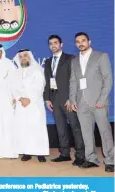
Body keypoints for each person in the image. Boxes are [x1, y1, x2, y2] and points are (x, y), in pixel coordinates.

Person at [69, 32, 114, 172]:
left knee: (105, 132)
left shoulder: (101, 56)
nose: (80, 43)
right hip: (81, 103)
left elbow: (108, 79)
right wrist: (72, 99)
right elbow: (73, 81)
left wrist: (102, 99)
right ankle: (91, 159)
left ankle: (110, 160)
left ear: (89, 41)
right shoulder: (74, 61)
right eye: (77, 41)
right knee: (86, 133)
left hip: (98, 102)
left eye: (83, 40)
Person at [43, 35, 84, 166]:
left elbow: (77, 80)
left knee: (75, 127)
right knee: (60, 128)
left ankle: (80, 155)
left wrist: (72, 98)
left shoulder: (70, 59)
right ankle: (65, 154)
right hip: (54, 100)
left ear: (62, 44)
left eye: (55, 43)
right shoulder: (48, 61)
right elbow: (48, 82)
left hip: (68, 100)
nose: (53, 45)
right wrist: (47, 99)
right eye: (51, 43)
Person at [11, 49, 49, 162]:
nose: (23, 58)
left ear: (30, 57)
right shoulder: (16, 72)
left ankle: (40, 153)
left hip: (34, 104)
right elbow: (12, 88)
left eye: (25, 56)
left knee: (37, 128)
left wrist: (29, 99)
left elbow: (40, 87)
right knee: (23, 128)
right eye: (21, 56)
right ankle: (26, 152)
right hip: (21, 105)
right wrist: (20, 98)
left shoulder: (38, 70)